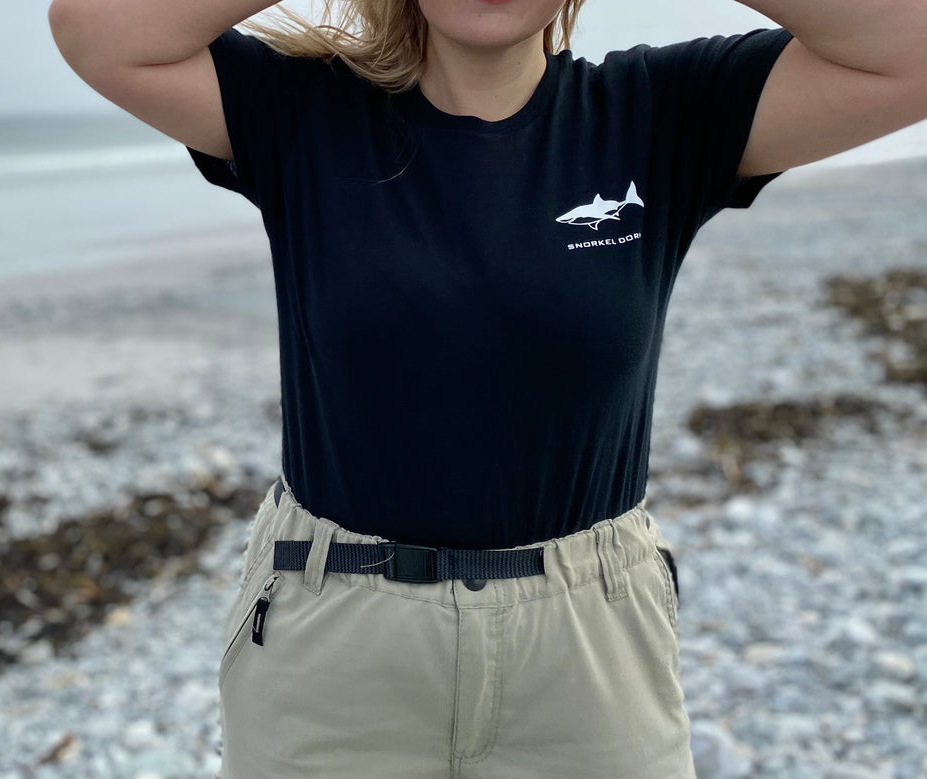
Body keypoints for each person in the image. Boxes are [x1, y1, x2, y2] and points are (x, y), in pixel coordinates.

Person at [49, 0, 927, 776]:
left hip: (587, 643)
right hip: (334, 637)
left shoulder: (660, 113)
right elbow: (96, 27)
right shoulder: (302, 113)